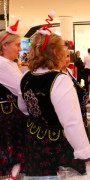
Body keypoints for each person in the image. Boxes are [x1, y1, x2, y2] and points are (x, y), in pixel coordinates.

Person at [19, 19, 90, 177]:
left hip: (35, 145)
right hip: (59, 148)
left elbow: (24, 108)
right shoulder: (59, 79)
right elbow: (72, 124)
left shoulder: (26, 76)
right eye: (64, 51)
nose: (66, 54)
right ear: (54, 52)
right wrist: (89, 159)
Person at [0, 21, 28, 176]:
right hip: (8, 117)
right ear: (5, 46)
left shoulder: (8, 63)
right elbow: (21, 88)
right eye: (17, 45)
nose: (20, 49)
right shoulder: (3, 64)